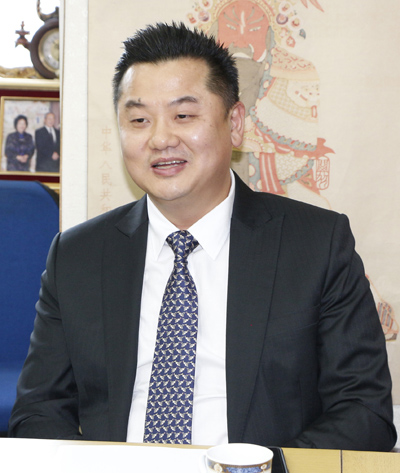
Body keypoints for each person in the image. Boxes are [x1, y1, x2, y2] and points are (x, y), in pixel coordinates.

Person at [8, 22, 396, 451]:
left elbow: (364, 410)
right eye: (139, 120)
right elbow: (38, 412)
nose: (160, 139)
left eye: (183, 116)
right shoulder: (77, 255)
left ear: (235, 124)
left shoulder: (317, 245)